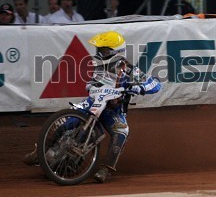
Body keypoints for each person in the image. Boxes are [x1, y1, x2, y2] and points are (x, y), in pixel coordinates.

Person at [23, 31, 161, 183]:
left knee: (122, 131)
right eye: (99, 50)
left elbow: (155, 83)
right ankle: (41, 151)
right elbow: (90, 84)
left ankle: (106, 169)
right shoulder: (100, 66)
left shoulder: (128, 69)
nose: (100, 53)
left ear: (116, 51)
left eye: (104, 50)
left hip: (112, 111)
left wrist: (139, 88)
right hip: (92, 102)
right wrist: (91, 85)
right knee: (66, 120)